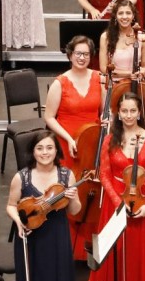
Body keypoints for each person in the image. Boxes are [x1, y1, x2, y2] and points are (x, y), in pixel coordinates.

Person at [5, 130, 85, 281]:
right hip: (30, 239)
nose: (45, 152)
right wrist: (18, 223)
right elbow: (11, 206)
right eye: (40, 148)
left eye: (49, 148)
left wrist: (73, 197)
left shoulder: (66, 175)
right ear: (33, 151)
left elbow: (74, 211)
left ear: (56, 151)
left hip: (57, 239)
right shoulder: (21, 177)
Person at [85, 92, 145, 281]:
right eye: (124, 111)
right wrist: (117, 202)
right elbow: (104, 175)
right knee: (117, 250)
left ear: (139, 113)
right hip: (115, 201)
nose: (129, 115)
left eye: (133, 111)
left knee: (138, 249)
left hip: (141, 199)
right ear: (118, 114)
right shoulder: (110, 139)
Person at [43, 36, 106, 262]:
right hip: (67, 143)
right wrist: (69, 139)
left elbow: (103, 113)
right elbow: (49, 117)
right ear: (70, 55)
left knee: (92, 190)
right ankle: (66, 246)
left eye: (86, 54)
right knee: (68, 191)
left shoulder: (99, 79)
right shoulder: (60, 83)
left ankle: (90, 245)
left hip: (92, 144)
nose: (82, 58)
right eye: (78, 53)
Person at [101, 0, 145, 113]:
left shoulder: (142, 38)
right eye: (120, 13)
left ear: (133, 16)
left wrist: (142, 71)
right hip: (114, 86)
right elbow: (103, 68)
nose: (124, 17)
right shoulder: (105, 37)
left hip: (136, 86)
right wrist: (129, 74)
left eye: (128, 13)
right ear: (115, 16)